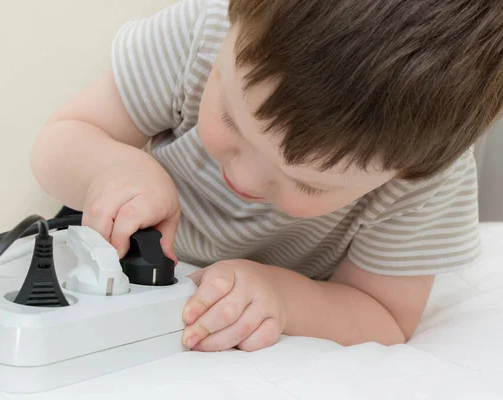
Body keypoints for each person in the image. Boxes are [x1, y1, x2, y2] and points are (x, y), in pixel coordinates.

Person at [30, 0, 503, 352]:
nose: (247, 178)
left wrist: (282, 297)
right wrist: (118, 169)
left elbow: (385, 317)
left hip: (270, 283)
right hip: (121, 229)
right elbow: (62, 140)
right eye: (232, 122)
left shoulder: (425, 179)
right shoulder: (206, 33)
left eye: (309, 184)